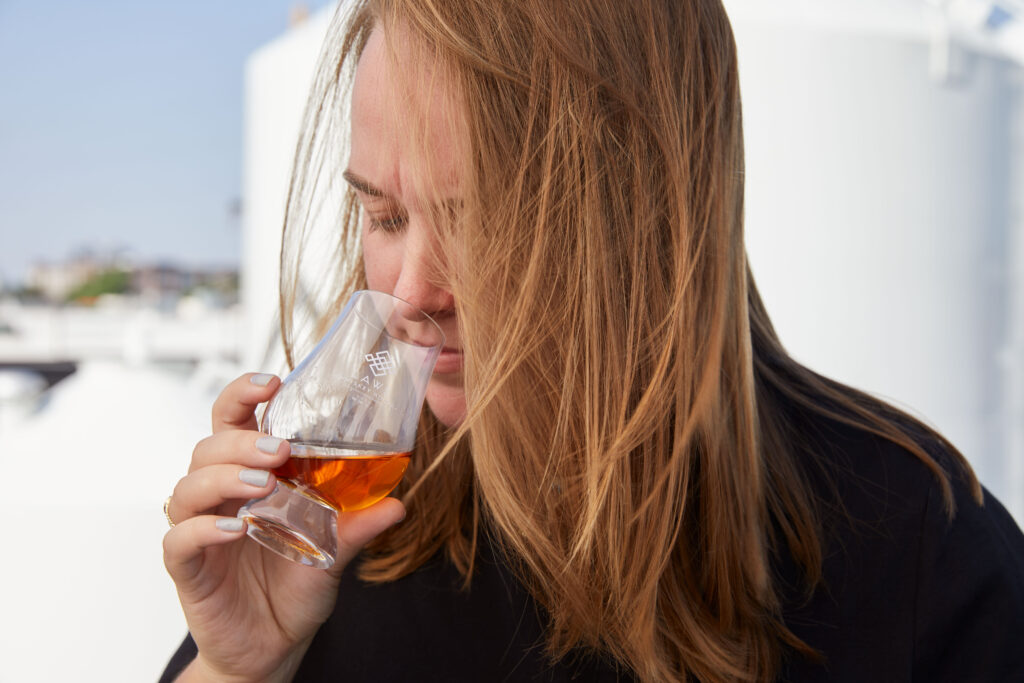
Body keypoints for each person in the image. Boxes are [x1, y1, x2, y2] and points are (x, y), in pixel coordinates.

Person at [160, 1, 1024, 681]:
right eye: (384, 216)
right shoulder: (340, 524)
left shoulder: (920, 551)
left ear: (645, 212)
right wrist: (240, 667)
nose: (412, 294)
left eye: (483, 220)